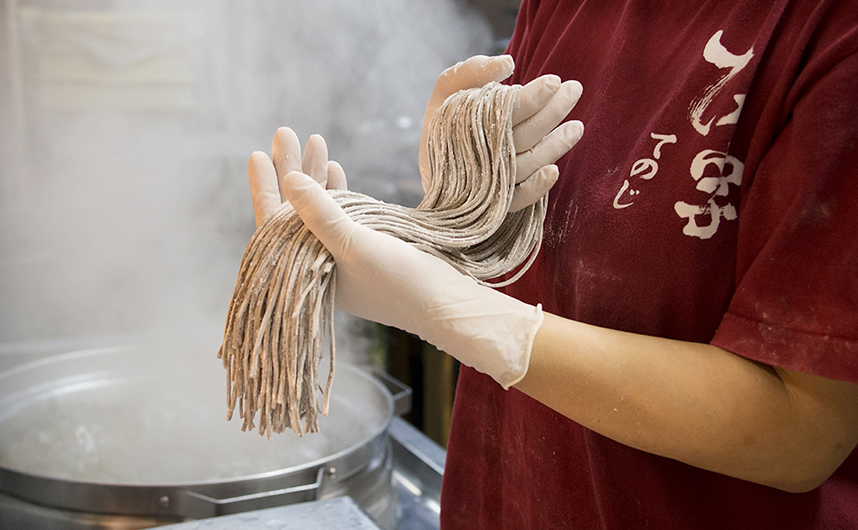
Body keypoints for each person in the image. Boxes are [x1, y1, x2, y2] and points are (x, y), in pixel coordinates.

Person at [244, 0, 858, 527]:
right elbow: (545, 247)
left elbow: (802, 433)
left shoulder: (829, 30)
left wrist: (453, 313)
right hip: (508, 501)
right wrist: (457, 211)